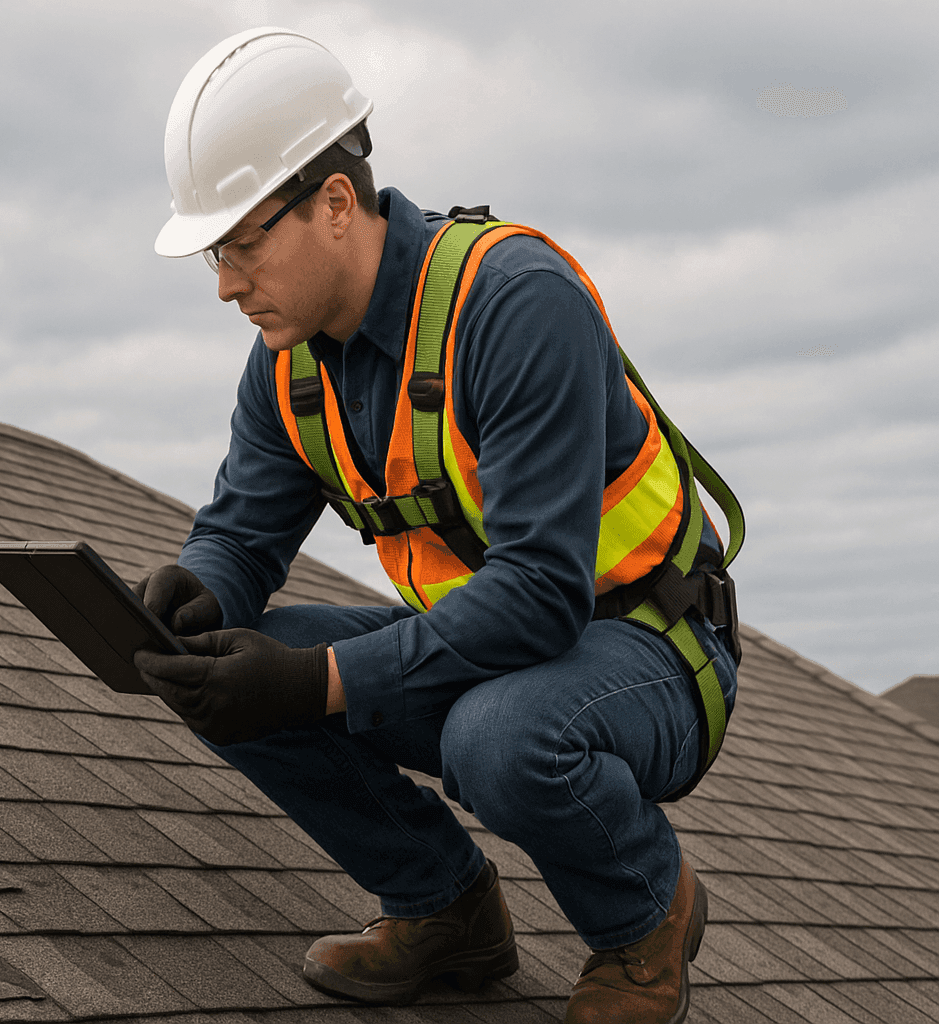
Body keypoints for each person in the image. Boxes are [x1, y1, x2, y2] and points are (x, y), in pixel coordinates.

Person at [132, 27, 743, 1024]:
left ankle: (644, 923)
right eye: (215, 250)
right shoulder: (287, 365)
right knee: (228, 667)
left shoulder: (511, 305)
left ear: (335, 202)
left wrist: (318, 681)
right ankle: (445, 908)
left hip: (652, 644)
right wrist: (199, 588)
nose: (226, 284)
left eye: (243, 243)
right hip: (505, 649)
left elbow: (543, 595)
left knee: (498, 736)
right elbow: (243, 536)